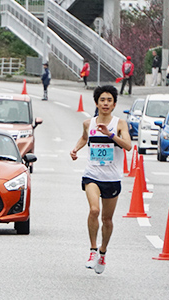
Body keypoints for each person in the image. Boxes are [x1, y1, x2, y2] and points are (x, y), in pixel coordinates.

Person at [69, 85, 132, 274]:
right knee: (94, 210)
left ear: (114, 104)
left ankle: (103, 252)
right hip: (92, 175)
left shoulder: (120, 124)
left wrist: (110, 135)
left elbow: (128, 146)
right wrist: (75, 149)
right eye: (102, 100)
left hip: (112, 178)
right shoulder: (89, 123)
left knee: (107, 219)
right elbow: (83, 138)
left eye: (109, 100)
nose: (105, 103)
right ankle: (92, 250)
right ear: (96, 103)